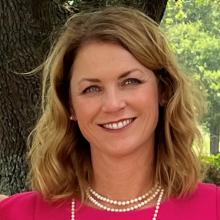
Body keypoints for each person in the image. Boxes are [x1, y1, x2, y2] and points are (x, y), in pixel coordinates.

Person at [0, 6, 219, 220]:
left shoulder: (214, 208)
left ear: (163, 90)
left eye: (130, 81)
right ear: (69, 106)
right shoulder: (17, 214)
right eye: (91, 89)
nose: (113, 104)